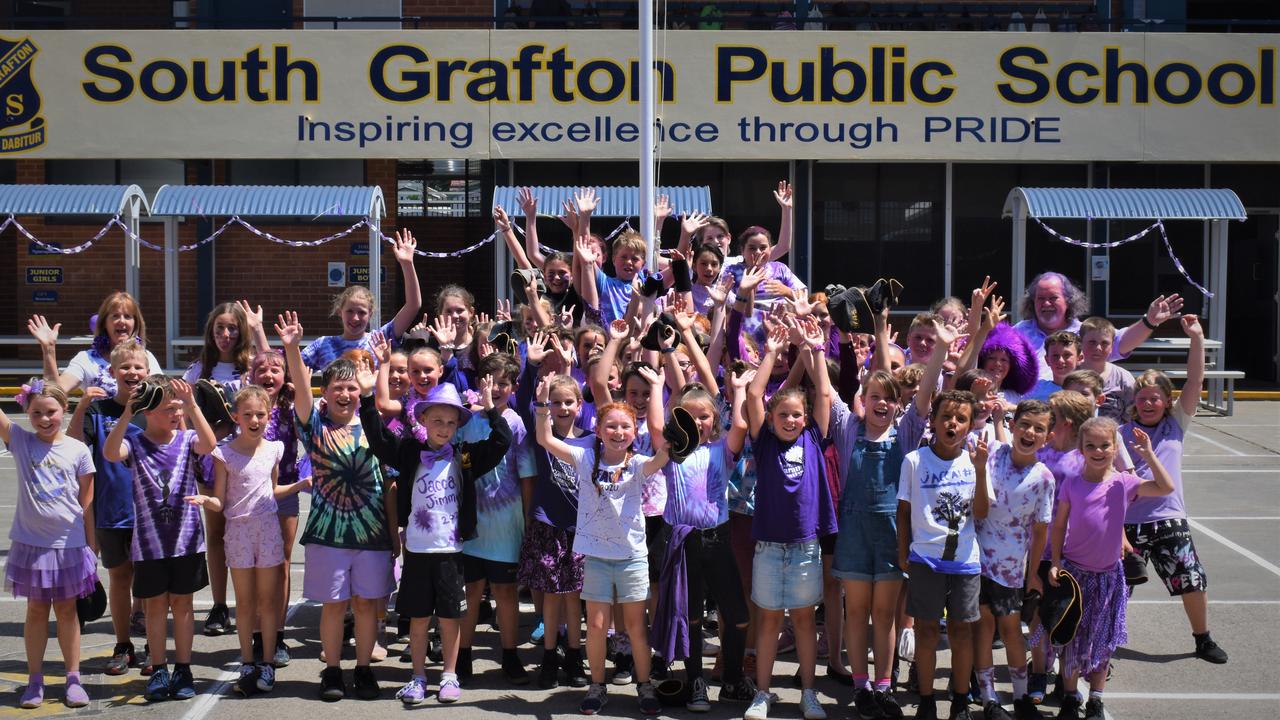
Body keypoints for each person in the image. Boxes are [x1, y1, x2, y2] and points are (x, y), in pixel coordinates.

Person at [361, 371, 512, 706]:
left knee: (449, 618)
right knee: (417, 618)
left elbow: (501, 443)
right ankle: (416, 676)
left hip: (451, 552)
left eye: (450, 422)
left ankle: (448, 674)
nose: (444, 428)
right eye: (437, 420)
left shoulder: (464, 456)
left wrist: (490, 409)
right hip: (416, 550)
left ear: (458, 425)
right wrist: (368, 399)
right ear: (424, 419)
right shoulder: (410, 451)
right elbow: (378, 440)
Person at [831, 308, 946, 719]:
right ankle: (861, 685)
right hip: (854, 533)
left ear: (899, 405)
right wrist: (814, 349)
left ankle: (884, 685)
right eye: (873, 397)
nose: (881, 403)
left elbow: (926, 389)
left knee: (885, 613)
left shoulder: (909, 432)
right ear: (862, 401)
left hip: (893, 535)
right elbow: (830, 389)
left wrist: (942, 349)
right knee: (857, 612)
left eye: (889, 398)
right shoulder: (848, 429)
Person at [278, 311, 396, 702]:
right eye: (337, 388)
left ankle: (362, 670)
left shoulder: (374, 428)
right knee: (334, 606)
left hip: (372, 534)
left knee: (365, 606)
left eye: (351, 388)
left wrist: (375, 375)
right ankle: (331, 670)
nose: (345, 394)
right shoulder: (315, 428)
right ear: (324, 393)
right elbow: (299, 392)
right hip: (329, 535)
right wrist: (293, 349)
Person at [534, 377, 668, 716]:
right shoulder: (583, 457)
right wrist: (540, 407)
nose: (619, 431)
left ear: (634, 432)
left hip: (632, 559)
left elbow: (663, 451)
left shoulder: (639, 464)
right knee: (594, 626)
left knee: (636, 627)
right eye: (612, 425)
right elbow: (545, 438)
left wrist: (661, 388)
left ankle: (644, 685)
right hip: (595, 557)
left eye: (625, 426)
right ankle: (597, 685)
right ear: (598, 428)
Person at [642, 313, 755, 710]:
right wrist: (658, 386)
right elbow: (657, 427)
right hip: (683, 542)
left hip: (718, 540)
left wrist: (739, 389)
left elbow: (739, 425)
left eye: (704, 416)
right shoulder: (671, 453)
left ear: (713, 421)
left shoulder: (720, 451)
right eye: (690, 417)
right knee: (689, 617)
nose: (699, 422)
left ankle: (734, 678)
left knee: (737, 614)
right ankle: (695, 683)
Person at [183, 385, 311, 695]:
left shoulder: (274, 449)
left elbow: (272, 490)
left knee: (267, 603)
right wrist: (206, 501)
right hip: (238, 532)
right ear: (236, 417)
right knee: (245, 603)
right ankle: (248, 662)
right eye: (248, 414)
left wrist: (299, 485)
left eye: (261, 414)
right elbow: (221, 500)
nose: (255, 420)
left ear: (269, 416)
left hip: (267, 530)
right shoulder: (224, 453)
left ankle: (267, 662)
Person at [1049, 418, 1174, 720]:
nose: (1098, 450)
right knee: (1070, 638)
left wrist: (1148, 454)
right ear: (1081, 449)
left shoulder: (1123, 482)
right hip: (1074, 574)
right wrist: (1054, 563)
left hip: (1108, 576)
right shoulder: (1073, 484)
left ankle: (1096, 698)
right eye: (1090, 445)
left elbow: (1165, 487)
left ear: (1115, 448)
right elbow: (1059, 525)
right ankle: (1069, 696)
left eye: (1105, 445)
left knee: (1102, 641)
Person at [1121, 315, 1228, 665]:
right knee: (1116, 589)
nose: (1148, 403)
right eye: (1142, 398)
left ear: (1167, 401)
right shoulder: (1119, 431)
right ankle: (1104, 640)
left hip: (1169, 520)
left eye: (1155, 398)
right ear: (1134, 401)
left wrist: (1196, 337)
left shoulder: (1176, 425)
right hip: (1126, 524)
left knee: (1192, 580)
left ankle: (1203, 638)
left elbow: (1196, 379)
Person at [742, 320, 836, 720]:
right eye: (784, 414)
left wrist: (815, 349)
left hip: (805, 547)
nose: (792, 420)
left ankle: (809, 693)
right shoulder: (763, 444)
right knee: (767, 622)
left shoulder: (814, 438)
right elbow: (753, 392)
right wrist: (770, 354)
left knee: (802, 622)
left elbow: (826, 394)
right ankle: (762, 694)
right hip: (768, 547)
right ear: (773, 417)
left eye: (797, 414)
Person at [103, 377, 218, 703]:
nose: (175, 413)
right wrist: (127, 413)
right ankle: (158, 667)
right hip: (150, 544)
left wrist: (193, 405)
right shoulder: (136, 444)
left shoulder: (186, 439)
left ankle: (183, 668)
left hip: (186, 541)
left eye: (177, 407)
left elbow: (209, 444)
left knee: (182, 606)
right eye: (168, 408)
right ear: (148, 412)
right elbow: (111, 453)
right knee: (155, 608)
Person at [2, 380, 97, 709]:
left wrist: (87, 540)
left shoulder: (77, 449)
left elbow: (87, 494)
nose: (44, 418)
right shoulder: (21, 441)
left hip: (68, 545)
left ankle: (73, 678)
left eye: (51, 412)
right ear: (26, 413)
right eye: (37, 412)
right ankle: (35, 680)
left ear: (64, 410)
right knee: (36, 609)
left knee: (68, 610)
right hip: (31, 545)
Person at [896, 388, 986, 720]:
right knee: (927, 630)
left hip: (965, 561)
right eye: (946, 416)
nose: (952, 423)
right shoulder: (914, 461)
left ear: (970, 426)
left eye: (961, 418)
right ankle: (926, 699)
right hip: (924, 559)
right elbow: (903, 511)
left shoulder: (974, 459)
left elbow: (982, 512)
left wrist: (981, 470)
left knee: (962, 630)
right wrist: (903, 551)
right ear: (932, 421)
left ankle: (960, 700)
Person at [185, 300, 270, 638]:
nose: (225, 334)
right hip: (214, 462)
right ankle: (220, 606)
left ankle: (255, 607)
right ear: (211, 331)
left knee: (255, 535)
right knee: (218, 534)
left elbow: (274, 369)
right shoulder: (198, 369)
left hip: (252, 461)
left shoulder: (251, 365)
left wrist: (259, 329)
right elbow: (182, 413)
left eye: (232, 328)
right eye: (219, 328)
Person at [66, 342, 149, 676]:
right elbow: (73, 444)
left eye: (137, 367)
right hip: (111, 512)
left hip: (150, 515)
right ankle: (123, 644)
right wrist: (82, 406)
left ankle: (153, 649)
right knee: (120, 577)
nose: (131, 372)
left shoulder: (154, 410)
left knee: (150, 583)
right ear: (112, 372)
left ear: (147, 372)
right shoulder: (98, 412)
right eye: (124, 367)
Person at [972, 400, 1055, 720]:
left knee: (1011, 631)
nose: (1030, 432)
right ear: (1013, 425)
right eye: (1024, 424)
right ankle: (989, 697)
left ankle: (1021, 698)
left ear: (1047, 437)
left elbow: (1040, 533)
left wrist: (1031, 574)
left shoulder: (1043, 478)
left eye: (1039, 428)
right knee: (982, 628)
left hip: (1009, 569)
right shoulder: (992, 453)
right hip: (976, 561)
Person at [456, 353, 535, 686]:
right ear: (479, 384)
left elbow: (527, 477)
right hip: (474, 526)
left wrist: (529, 523)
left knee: (505, 592)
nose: (497, 388)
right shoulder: (466, 424)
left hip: (507, 526)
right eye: (490, 381)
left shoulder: (516, 424)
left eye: (504, 382)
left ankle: (510, 654)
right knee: (471, 591)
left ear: (514, 386)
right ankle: (462, 656)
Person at [247, 349, 312, 667]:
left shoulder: (288, 409)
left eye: (276, 369)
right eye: (262, 368)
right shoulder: (244, 409)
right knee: (258, 566)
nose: (268, 374)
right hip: (248, 496)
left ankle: (280, 634)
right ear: (252, 374)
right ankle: (259, 635)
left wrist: (298, 389)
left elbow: (309, 434)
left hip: (284, 492)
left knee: (282, 564)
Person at [1011, 273, 1182, 381]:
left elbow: (1122, 341)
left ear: (1068, 301)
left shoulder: (1085, 332)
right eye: (1040, 298)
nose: (1046, 303)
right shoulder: (1019, 332)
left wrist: (1149, 321)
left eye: (1053, 298)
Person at [300, 230, 421, 371]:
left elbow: (413, 305)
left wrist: (407, 264)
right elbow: (291, 369)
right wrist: (291, 346)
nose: (355, 318)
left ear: (370, 314)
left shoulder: (379, 339)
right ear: (340, 311)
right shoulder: (323, 344)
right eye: (350, 311)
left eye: (362, 312)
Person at [29, 294, 163, 395]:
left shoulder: (147, 357)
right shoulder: (86, 359)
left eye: (127, 316)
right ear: (104, 323)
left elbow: (163, 396)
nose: (121, 321)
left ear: (135, 323)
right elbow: (56, 391)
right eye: (115, 316)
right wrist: (49, 349)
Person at [1078, 317, 1136, 422]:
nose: (1098, 348)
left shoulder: (1123, 378)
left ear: (1112, 346)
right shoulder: (1069, 375)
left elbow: (1133, 417)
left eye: (1104, 343)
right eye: (1092, 342)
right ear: (1081, 343)